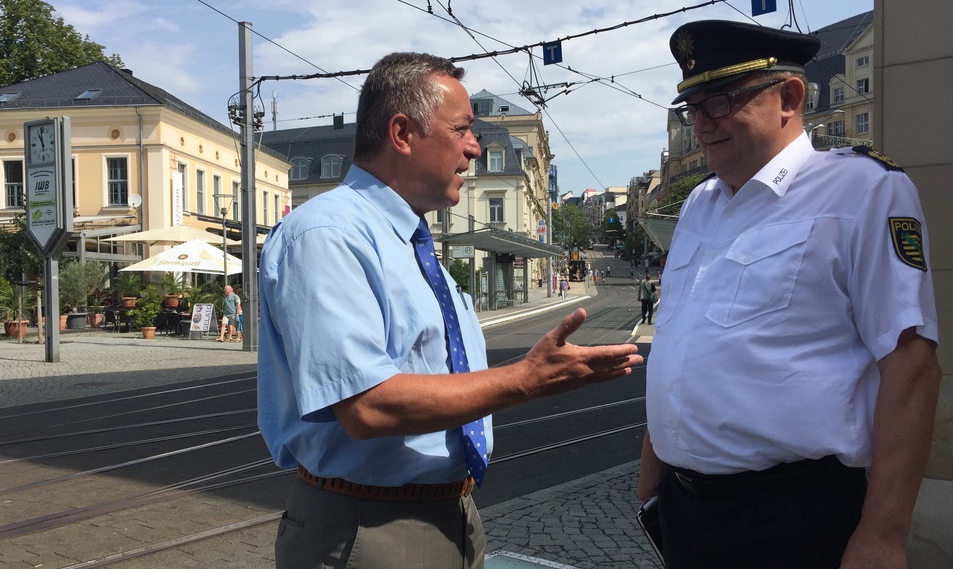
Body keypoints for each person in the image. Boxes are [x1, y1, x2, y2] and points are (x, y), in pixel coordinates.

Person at [257, 52, 642, 569]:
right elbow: (369, 406)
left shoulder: (411, 240)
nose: (475, 149)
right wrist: (526, 379)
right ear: (402, 133)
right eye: (462, 129)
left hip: (451, 515)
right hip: (370, 530)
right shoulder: (329, 235)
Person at [638, 20, 940, 569]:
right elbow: (680, 339)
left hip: (790, 513)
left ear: (790, 97)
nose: (703, 124)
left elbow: (911, 364)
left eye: (721, 101)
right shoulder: (697, 205)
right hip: (686, 510)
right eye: (693, 107)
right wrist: (651, 477)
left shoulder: (866, 189)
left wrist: (881, 535)